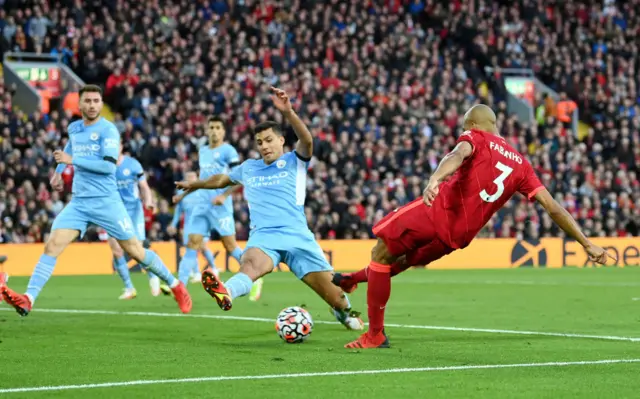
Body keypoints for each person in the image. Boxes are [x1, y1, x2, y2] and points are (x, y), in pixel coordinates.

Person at [335, 104, 615, 349]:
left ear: (472, 124)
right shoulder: (522, 166)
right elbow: (553, 207)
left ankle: (374, 335)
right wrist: (586, 242)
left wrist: (435, 178)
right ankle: (353, 280)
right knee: (403, 259)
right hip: (458, 236)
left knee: (381, 253)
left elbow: (457, 155)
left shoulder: (476, 137)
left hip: (438, 212)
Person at [174, 86, 363, 330]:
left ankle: (344, 313)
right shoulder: (249, 167)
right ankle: (226, 291)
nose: (264, 146)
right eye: (259, 142)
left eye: (269, 140)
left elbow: (307, 140)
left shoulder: (294, 161)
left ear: (282, 140)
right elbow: (221, 179)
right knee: (250, 265)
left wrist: (289, 113)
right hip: (264, 235)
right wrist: (197, 184)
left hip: (297, 236)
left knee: (337, 297)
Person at [0, 85, 192, 316]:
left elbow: (107, 166)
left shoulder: (108, 131)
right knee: (52, 245)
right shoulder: (74, 128)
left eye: (96, 101)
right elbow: (69, 148)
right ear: (80, 104)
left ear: (101, 104)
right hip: (80, 203)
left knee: (136, 251)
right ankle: (28, 299)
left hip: (106, 202)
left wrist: (72, 160)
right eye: (87, 101)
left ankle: (175, 286)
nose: (92, 105)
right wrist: (59, 171)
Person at [172, 117, 263, 300]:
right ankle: (180, 288)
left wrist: (224, 195)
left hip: (220, 207)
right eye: (211, 127)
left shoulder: (228, 151)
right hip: (201, 205)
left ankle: (255, 277)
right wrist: (182, 196)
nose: (214, 131)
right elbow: (203, 180)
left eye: (217, 128)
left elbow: (240, 176)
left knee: (229, 245)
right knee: (192, 243)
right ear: (207, 130)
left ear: (223, 131)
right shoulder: (203, 151)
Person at [111, 144, 161, 300]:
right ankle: (129, 288)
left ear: (120, 147)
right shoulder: (104, 166)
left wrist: (149, 201)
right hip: (114, 213)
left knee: (137, 249)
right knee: (116, 250)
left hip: (134, 211)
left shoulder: (132, 164)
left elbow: (144, 186)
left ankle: (153, 276)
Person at [168, 171, 219, 284]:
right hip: (188, 225)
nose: (190, 179)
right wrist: (173, 223)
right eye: (188, 177)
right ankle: (196, 272)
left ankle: (214, 268)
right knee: (191, 249)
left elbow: (212, 206)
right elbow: (178, 210)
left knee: (203, 247)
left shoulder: (203, 189)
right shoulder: (181, 191)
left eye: (192, 177)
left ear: (197, 178)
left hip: (202, 224)